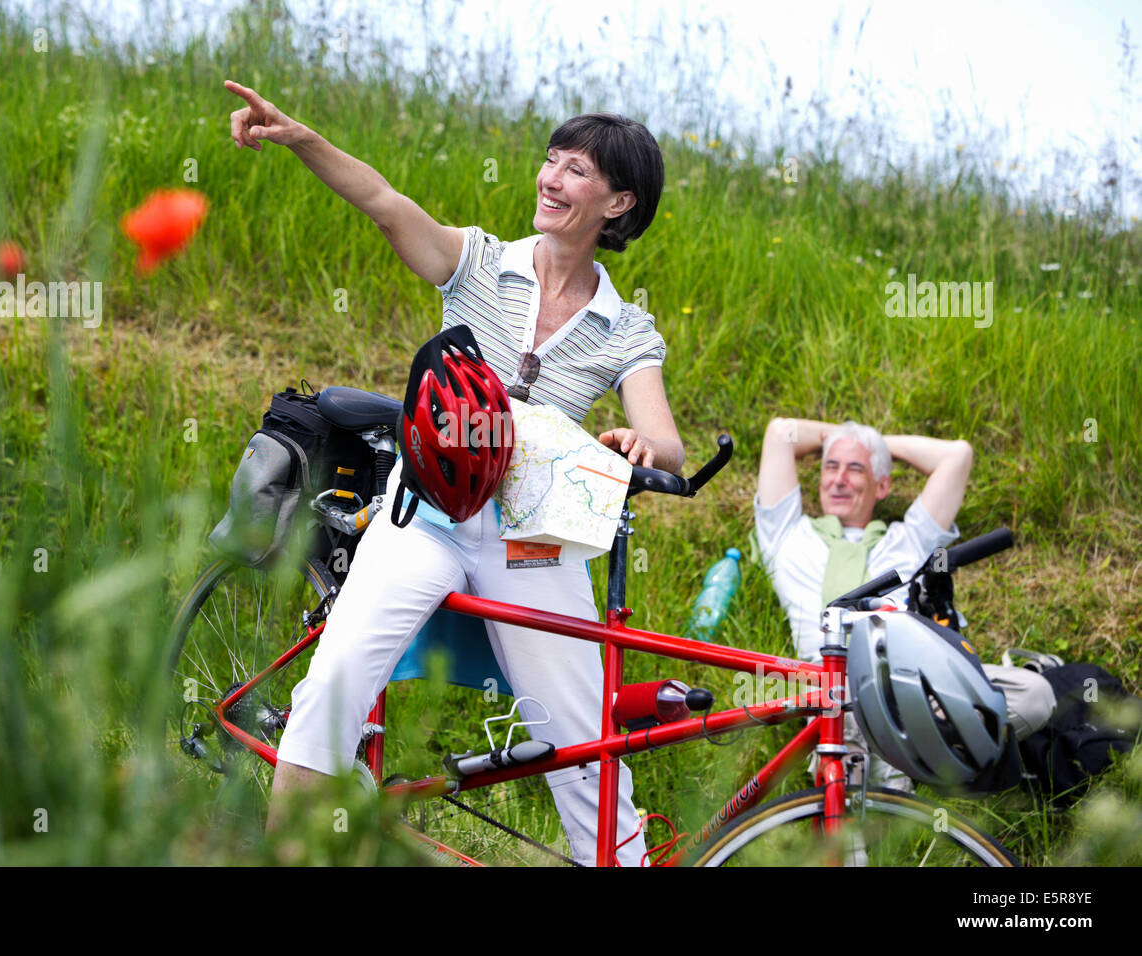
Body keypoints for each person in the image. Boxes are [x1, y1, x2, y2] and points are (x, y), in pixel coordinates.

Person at [225, 80, 684, 865]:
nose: (550, 178)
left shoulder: (625, 328)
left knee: (580, 745)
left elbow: (665, 444)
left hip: (531, 543)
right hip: (425, 516)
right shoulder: (476, 262)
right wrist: (299, 137)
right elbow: (382, 200)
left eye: (576, 170)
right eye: (550, 161)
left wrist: (640, 448)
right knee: (330, 692)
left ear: (618, 203)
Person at [754, 418, 1054, 786]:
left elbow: (956, 456)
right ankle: (879, 784)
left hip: (909, 676)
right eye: (830, 466)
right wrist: (851, 439)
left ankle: (915, 751)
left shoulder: (909, 540)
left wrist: (875, 444)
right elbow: (779, 432)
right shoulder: (786, 534)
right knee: (857, 790)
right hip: (831, 680)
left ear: (883, 485)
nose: (838, 479)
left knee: (1035, 696)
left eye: (855, 468)